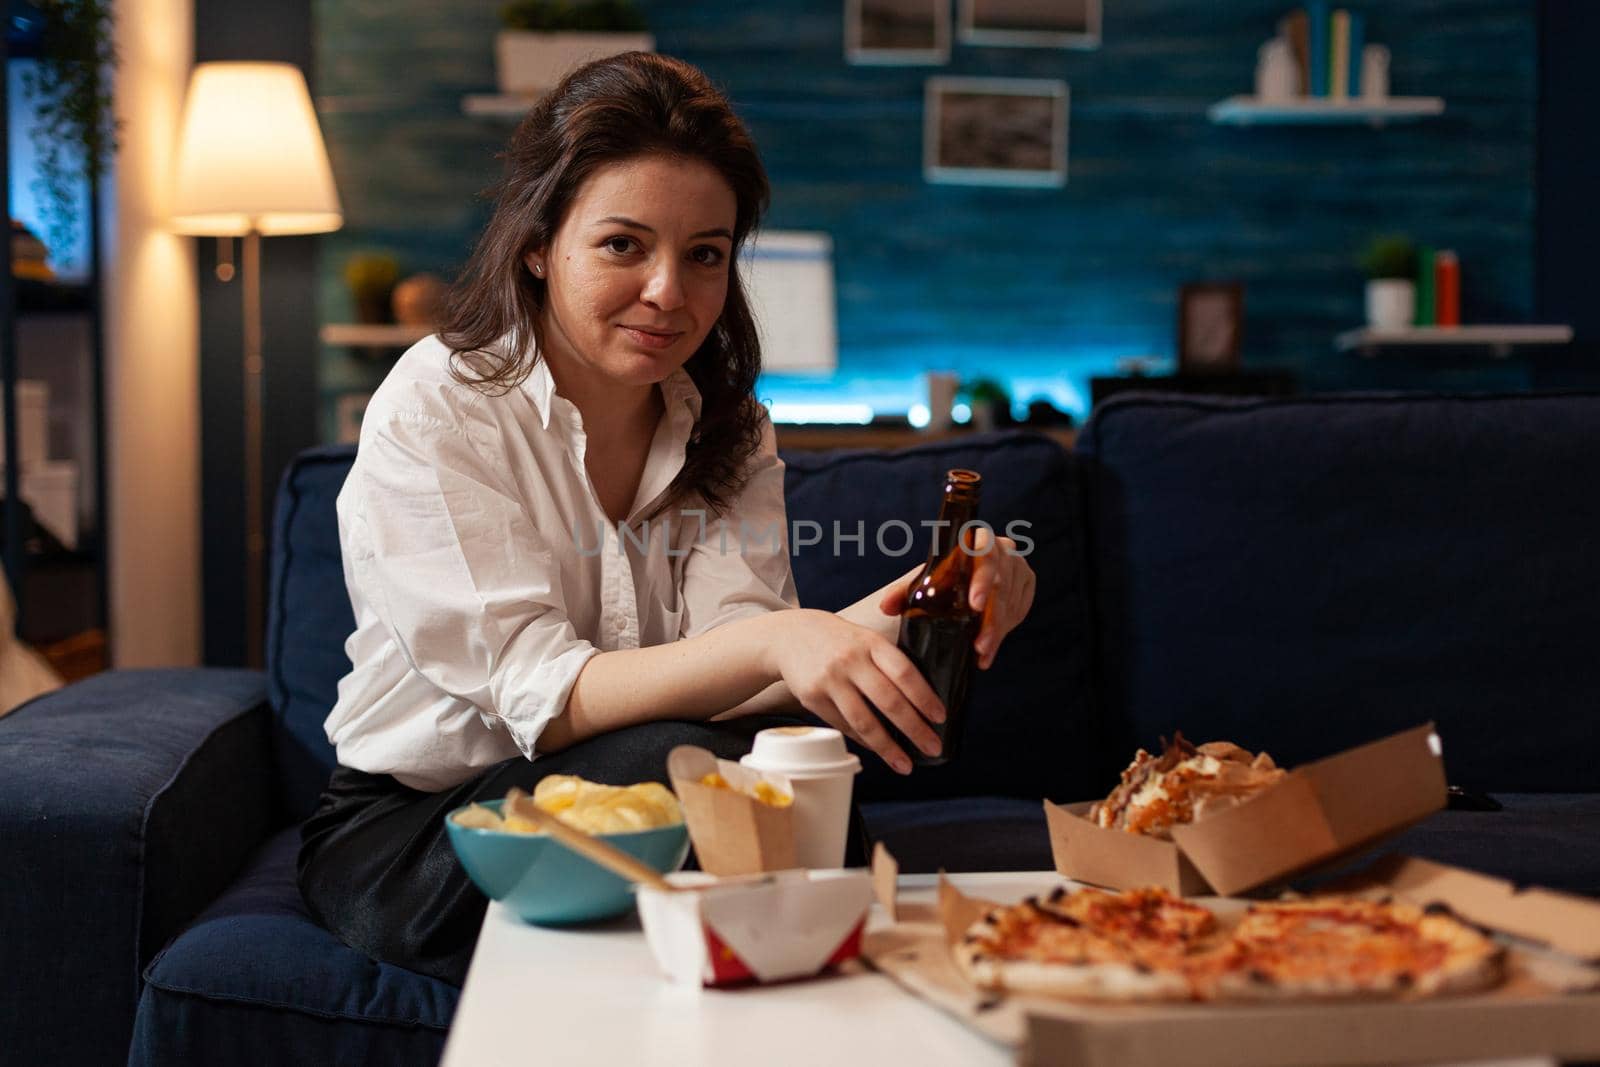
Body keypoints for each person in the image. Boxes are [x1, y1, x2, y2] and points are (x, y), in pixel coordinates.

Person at [297, 52, 1037, 986]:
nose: (669, 293)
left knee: (774, 773)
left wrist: (921, 607)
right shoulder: (439, 404)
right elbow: (548, 691)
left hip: (626, 784)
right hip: (425, 835)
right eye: (622, 245)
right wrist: (786, 644)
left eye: (706, 254)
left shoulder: (730, 423)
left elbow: (737, 655)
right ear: (538, 242)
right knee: (687, 768)